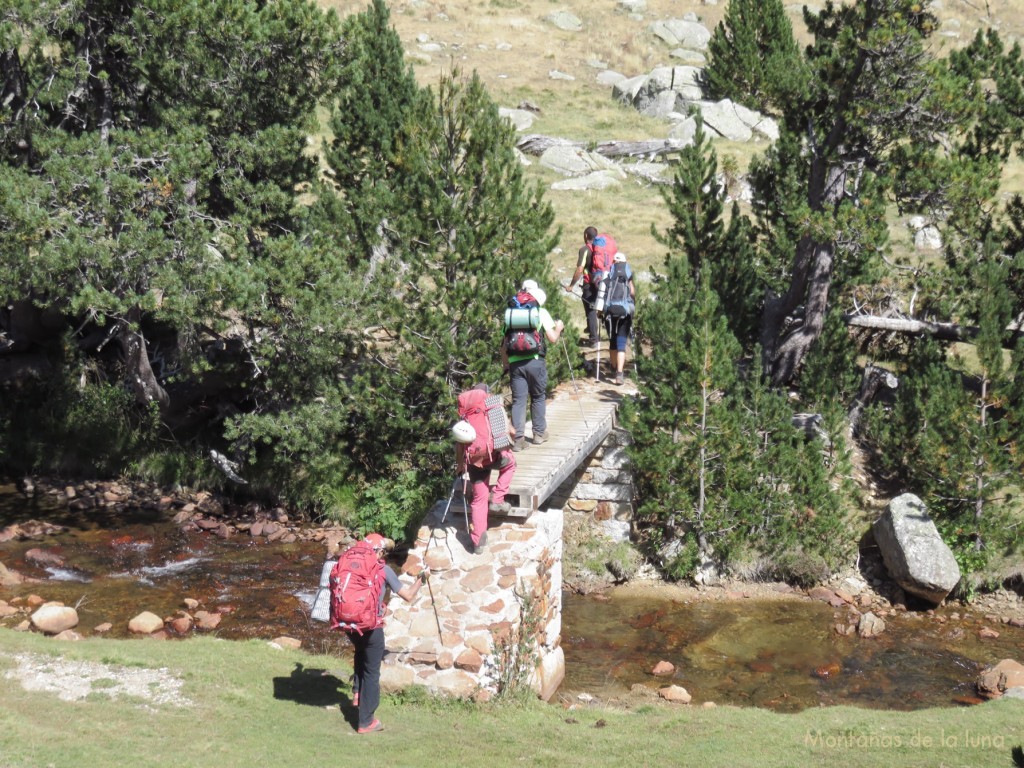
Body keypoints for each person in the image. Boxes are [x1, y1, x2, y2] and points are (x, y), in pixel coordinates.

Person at [346, 533, 428, 734]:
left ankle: (357, 692)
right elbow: (408, 595)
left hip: (349, 623)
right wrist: (421, 580)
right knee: (372, 672)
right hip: (371, 626)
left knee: (360, 651)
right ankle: (366, 722)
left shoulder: (350, 564)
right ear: (380, 552)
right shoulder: (384, 570)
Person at [453, 384, 516, 553]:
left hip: (473, 460)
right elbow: (511, 431)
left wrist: (460, 465)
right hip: (493, 455)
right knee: (510, 464)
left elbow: (460, 444)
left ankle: (478, 540)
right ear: (486, 393)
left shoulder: (465, 414)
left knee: (479, 498)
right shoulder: (492, 406)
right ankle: (498, 499)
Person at [501, 285, 564, 451]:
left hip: (515, 363)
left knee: (518, 400)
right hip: (535, 360)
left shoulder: (511, 314)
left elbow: (504, 343)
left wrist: (506, 363)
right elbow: (552, 338)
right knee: (537, 396)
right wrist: (559, 327)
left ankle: (519, 439)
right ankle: (538, 434)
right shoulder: (540, 312)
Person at [602, 252, 636, 386]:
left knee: (612, 340)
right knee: (621, 342)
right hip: (624, 311)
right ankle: (619, 374)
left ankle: (613, 366)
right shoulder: (627, 274)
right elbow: (632, 292)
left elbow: (602, 294)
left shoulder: (609, 274)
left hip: (610, 311)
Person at [565, 227, 601, 348]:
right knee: (599, 310)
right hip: (602, 284)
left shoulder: (585, 249)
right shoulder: (600, 250)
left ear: (586, 235)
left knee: (590, 310)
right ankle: (600, 333)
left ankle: (593, 340)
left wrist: (571, 286)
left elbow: (580, 269)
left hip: (589, 285)